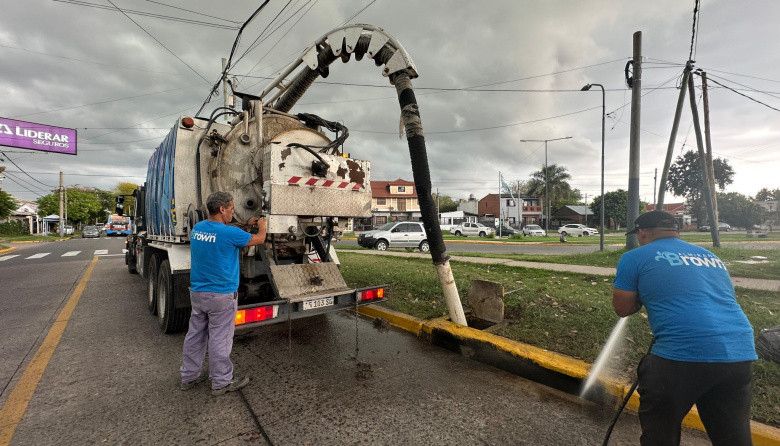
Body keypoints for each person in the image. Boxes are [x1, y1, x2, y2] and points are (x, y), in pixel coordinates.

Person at [613, 210, 757, 446]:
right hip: (739, 352)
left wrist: (641, 297)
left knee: (660, 435)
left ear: (643, 233)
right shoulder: (710, 256)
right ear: (676, 232)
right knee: (733, 438)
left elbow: (623, 308)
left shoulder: (634, 257)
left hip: (681, 355)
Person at [180, 191, 266, 396]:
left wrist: (245, 223)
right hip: (221, 296)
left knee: (195, 336)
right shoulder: (230, 234)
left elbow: (222, 230)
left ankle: (189, 377)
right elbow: (259, 239)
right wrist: (261, 226)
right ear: (222, 209)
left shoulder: (198, 228)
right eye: (231, 209)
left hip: (198, 293)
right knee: (220, 338)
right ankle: (221, 382)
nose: (233, 212)